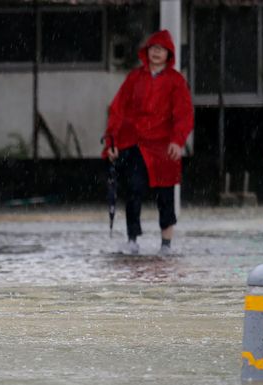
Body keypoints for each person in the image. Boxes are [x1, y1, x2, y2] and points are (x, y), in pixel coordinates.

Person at [104, 29, 193, 255]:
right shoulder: (135, 78)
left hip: (164, 146)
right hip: (135, 143)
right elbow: (118, 109)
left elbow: (183, 114)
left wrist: (177, 140)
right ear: (147, 51)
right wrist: (112, 139)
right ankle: (132, 239)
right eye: (153, 48)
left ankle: (166, 244)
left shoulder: (176, 81)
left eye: (161, 49)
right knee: (133, 190)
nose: (156, 53)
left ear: (168, 54)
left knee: (165, 194)